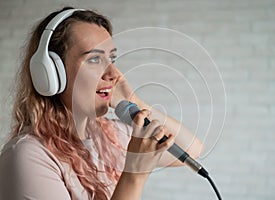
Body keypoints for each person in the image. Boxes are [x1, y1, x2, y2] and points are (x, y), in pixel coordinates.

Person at [0, 7, 202, 200]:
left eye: (112, 58)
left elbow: (191, 149)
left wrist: (134, 102)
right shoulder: (28, 156)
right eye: (95, 59)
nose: (114, 74)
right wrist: (134, 176)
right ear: (53, 74)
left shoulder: (110, 137)